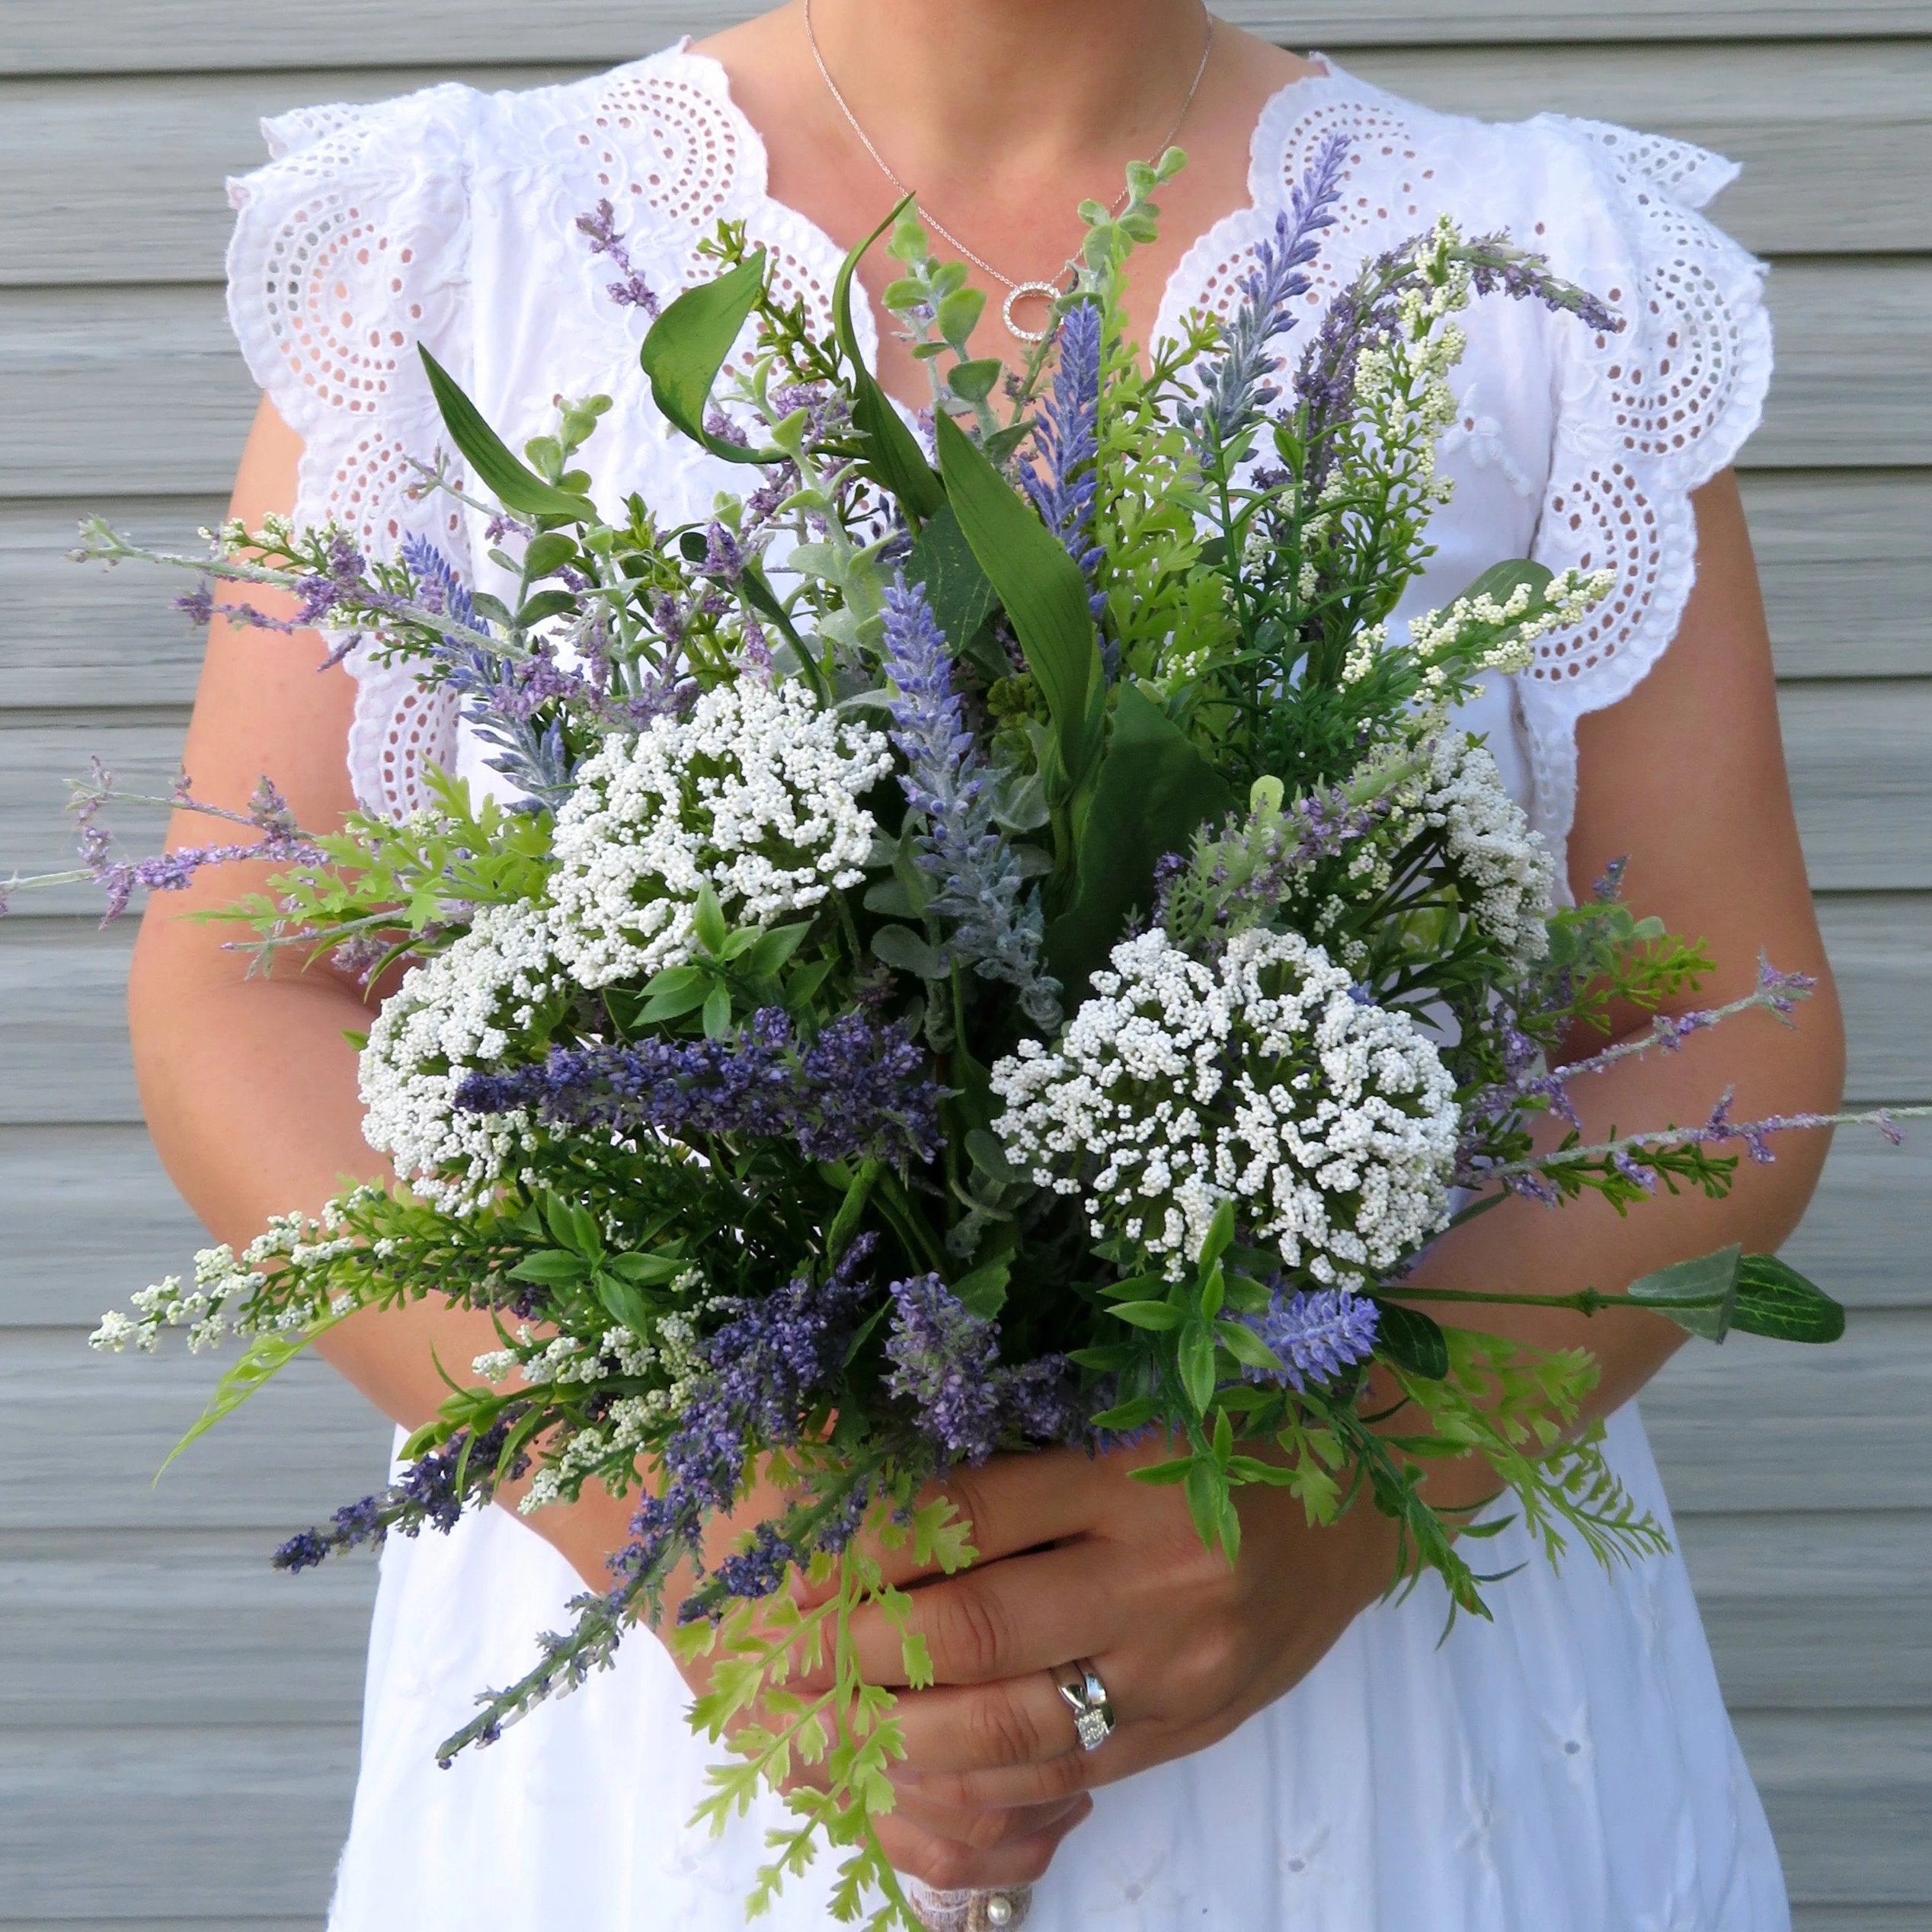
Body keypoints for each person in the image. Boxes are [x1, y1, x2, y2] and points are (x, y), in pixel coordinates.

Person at [128, 3, 1844, 1926]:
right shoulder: (458, 238)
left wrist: (1343, 1498)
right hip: (671, 1708)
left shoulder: (1554, 270)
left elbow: (1716, 1025)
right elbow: (243, 980)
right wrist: (672, 1526)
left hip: (1382, 1718)